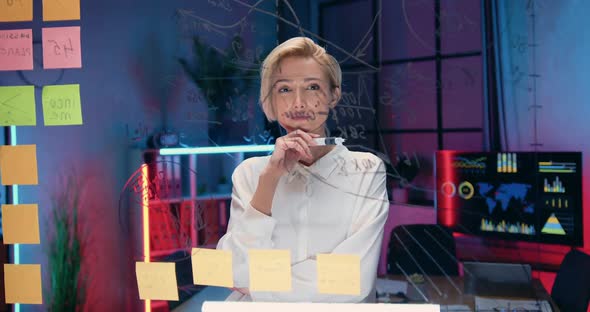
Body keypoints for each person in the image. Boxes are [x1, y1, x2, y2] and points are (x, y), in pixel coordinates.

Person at [216, 37, 389, 303]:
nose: (298, 103)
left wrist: (258, 286)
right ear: (270, 98)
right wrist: (269, 180)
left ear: (334, 95)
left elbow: (350, 281)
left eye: (312, 87)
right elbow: (233, 271)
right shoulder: (250, 173)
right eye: (284, 89)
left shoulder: (365, 170)